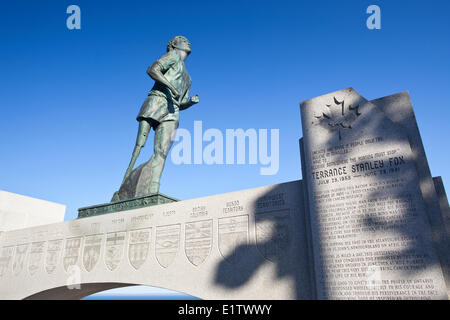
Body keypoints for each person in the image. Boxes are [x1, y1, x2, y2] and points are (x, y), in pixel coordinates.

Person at [120, 35, 199, 195]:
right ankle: (124, 186)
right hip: (157, 102)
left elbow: (180, 102)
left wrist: (190, 102)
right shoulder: (173, 56)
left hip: (172, 111)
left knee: (162, 151)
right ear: (175, 45)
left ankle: (153, 187)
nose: (187, 42)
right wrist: (170, 87)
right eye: (183, 40)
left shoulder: (188, 78)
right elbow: (152, 69)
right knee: (139, 146)